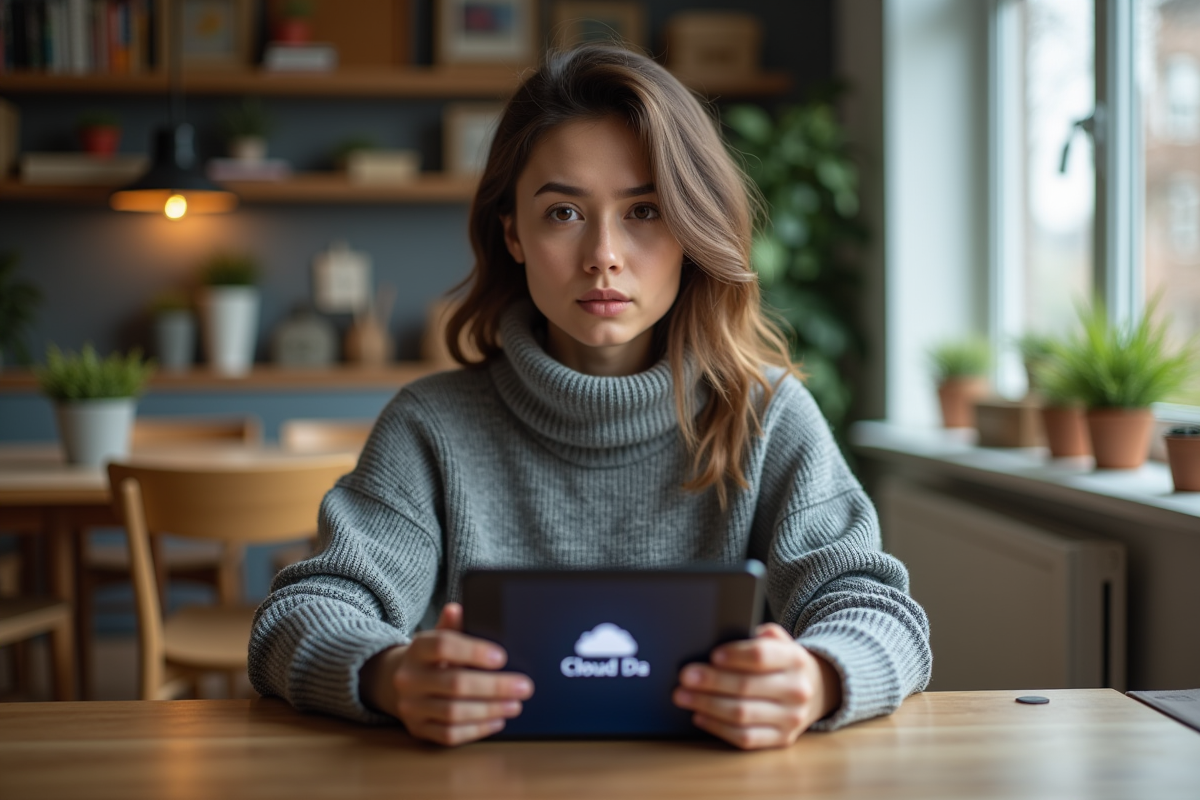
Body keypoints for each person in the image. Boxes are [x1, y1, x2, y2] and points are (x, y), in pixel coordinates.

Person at [249, 44, 931, 750]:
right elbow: (301, 614)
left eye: (644, 211)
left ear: (692, 232)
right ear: (512, 232)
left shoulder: (769, 417)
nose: (603, 253)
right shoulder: (430, 428)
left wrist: (817, 677)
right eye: (564, 213)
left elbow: (880, 613)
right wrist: (387, 675)